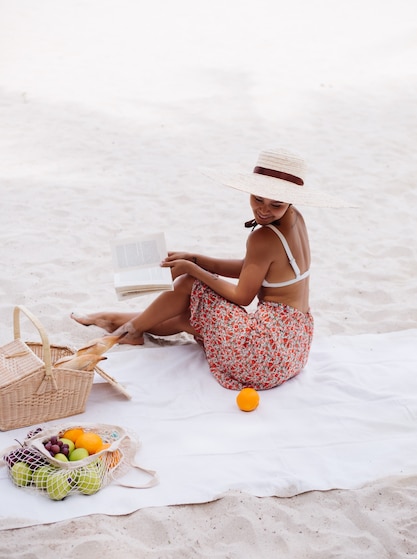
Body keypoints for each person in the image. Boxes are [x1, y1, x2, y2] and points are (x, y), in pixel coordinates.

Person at [71, 148, 348, 390]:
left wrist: (193, 269)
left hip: (263, 354)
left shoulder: (263, 237)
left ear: (289, 200)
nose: (263, 210)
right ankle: (119, 322)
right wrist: (197, 258)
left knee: (190, 286)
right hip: (292, 348)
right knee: (186, 317)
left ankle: (129, 330)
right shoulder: (295, 218)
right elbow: (254, 268)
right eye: (257, 199)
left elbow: (243, 297)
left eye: (275, 204)